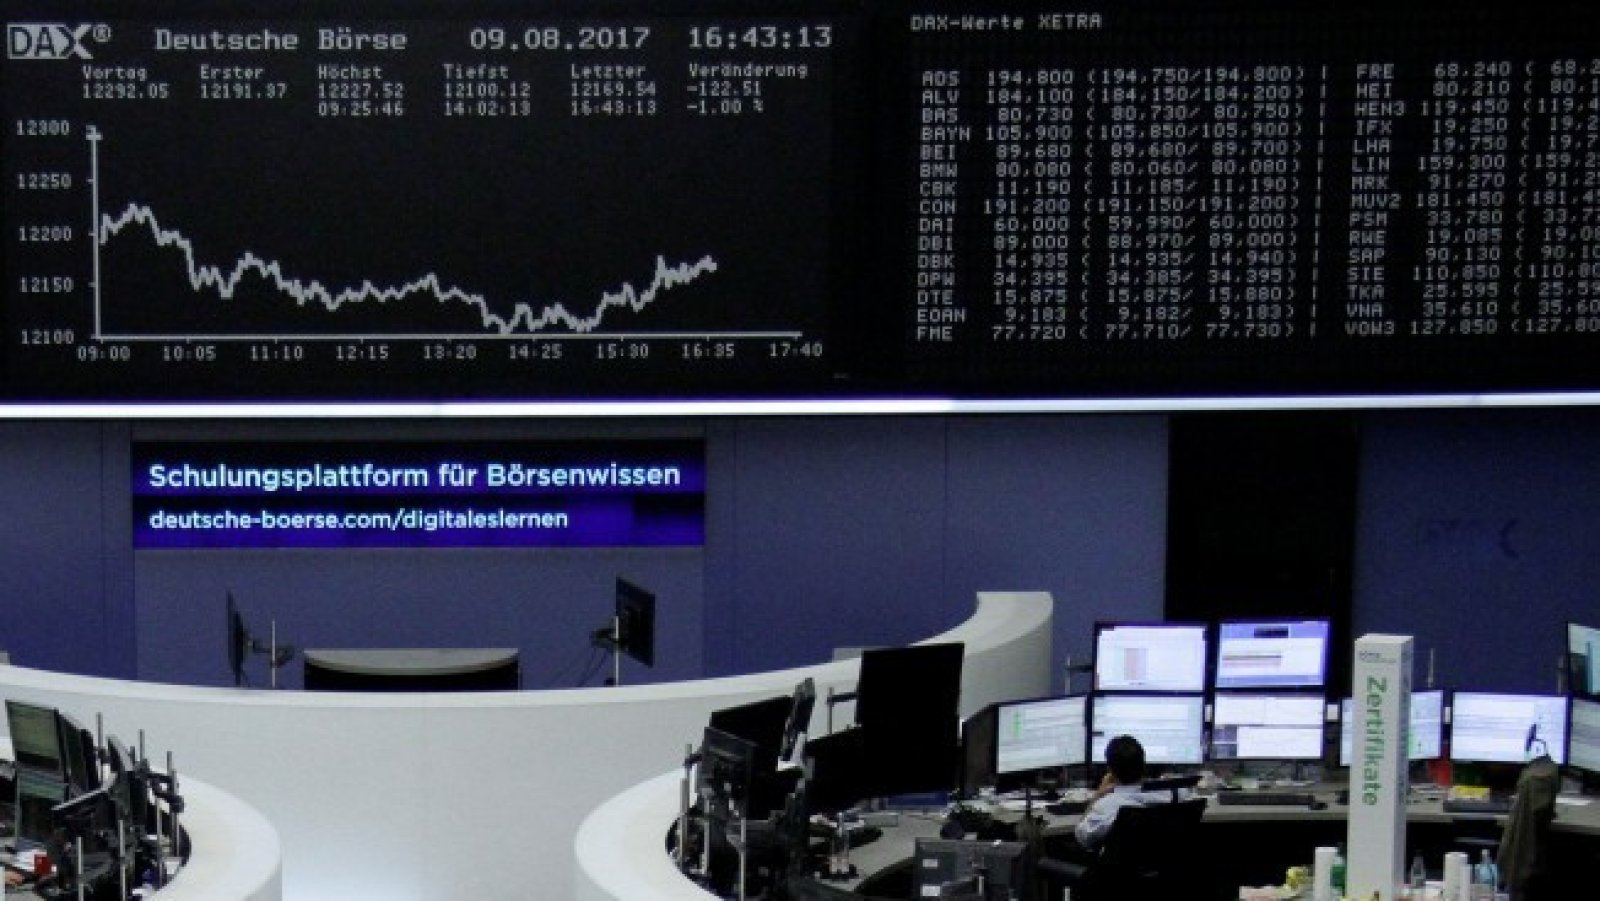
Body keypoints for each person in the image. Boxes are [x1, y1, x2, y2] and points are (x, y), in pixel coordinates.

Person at [1073, 734, 1181, 852]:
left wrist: (1097, 795)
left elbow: (1082, 838)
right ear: (1143, 765)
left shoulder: (1106, 806)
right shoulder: (1171, 795)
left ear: (1110, 771)